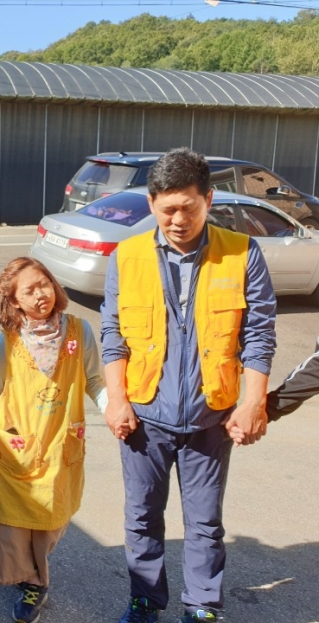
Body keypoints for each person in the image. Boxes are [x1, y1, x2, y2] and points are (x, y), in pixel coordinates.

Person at [100, 147, 277, 623]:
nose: (178, 220)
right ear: (151, 203)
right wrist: (117, 400)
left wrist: (252, 402)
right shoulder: (128, 255)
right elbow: (113, 334)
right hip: (144, 417)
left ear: (209, 199)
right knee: (142, 517)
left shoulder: (241, 252)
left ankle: (202, 606)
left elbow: (259, 335)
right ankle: (145, 600)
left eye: (189, 208)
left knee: (204, 523)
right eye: (167, 209)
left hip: (210, 417)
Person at [0, 257, 107, 623]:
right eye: (29, 291)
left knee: (50, 520)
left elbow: (95, 380)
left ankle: (33, 574)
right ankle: (35, 581)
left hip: (60, 443)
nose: (41, 295)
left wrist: (113, 411)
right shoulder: (6, 341)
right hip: (14, 447)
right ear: (14, 301)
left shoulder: (79, 331)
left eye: (44, 284)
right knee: (11, 523)